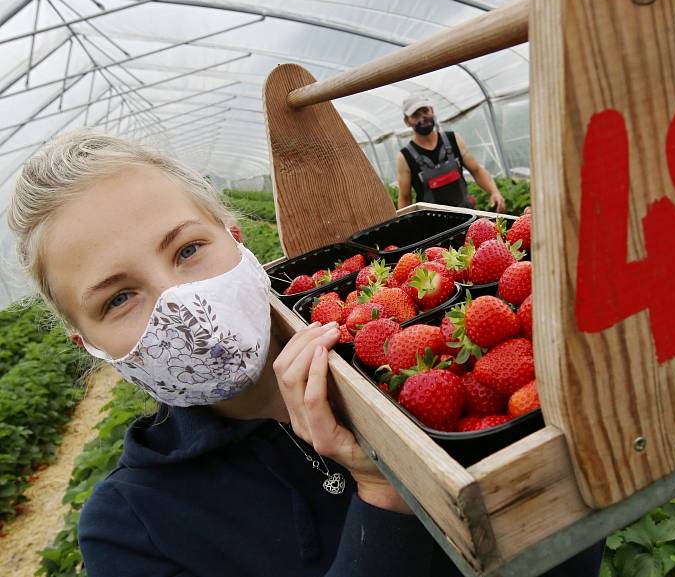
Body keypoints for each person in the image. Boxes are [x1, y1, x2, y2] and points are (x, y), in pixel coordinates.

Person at [7, 130, 604, 577]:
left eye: (188, 250)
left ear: (237, 242)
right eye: (118, 299)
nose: (181, 303)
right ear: (87, 344)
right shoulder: (131, 528)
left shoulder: (413, 359)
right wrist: (382, 492)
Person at [396, 94, 506, 212]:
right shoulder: (405, 157)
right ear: (407, 121)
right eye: (416, 115)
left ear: (432, 111)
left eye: (425, 111)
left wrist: (494, 192)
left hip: (466, 215)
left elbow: (477, 170)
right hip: (433, 224)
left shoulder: (453, 139)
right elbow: (405, 197)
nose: (423, 118)